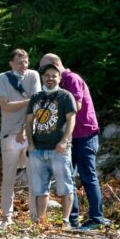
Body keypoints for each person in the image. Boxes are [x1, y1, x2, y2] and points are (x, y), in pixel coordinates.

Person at [40, 53, 106, 230]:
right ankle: (73, 219)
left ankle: (97, 218)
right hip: (68, 138)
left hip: (84, 135)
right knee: (68, 177)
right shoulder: (57, 84)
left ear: (55, 64)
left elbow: (76, 106)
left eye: (44, 68)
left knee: (87, 176)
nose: (44, 73)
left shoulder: (72, 78)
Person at [25, 62, 77, 226]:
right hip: (38, 150)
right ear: (42, 77)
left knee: (65, 186)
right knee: (40, 189)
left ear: (59, 78)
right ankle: (41, 221)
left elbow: (71, 119)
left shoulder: (65, 96)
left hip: (59, 150)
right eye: (47, 75)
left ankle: (65, 221)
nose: (50, 78)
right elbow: (28, 122)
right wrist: (30, 143)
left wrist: (64, 141)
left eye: (54, 76)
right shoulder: (36, 97)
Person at [0, 49, 41, 226]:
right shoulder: (2, 78)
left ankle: (35, 217)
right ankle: (6, 217)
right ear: (11, 63)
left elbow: (37, 105)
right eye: (20, 62)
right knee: (8, 178)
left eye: (26, 61)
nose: (24, 65)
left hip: (30, 133)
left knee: (33, 177)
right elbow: (5, 106)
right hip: (8, 134)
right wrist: (29, 101)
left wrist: (24, 128)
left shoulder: (33, 75)